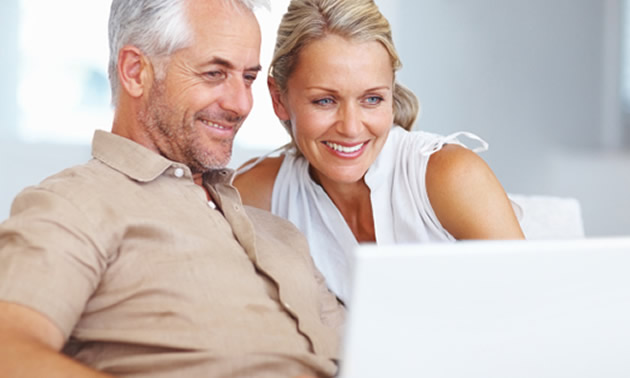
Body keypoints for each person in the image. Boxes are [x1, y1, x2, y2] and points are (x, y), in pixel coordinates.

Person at [0, 0, 345, 377]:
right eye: (214, 73)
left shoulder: (280, 233)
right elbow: (10, 351)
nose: (241, 103)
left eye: (247, 77)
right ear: (136, 72)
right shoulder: (74, 205)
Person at [233, 0, 525, 303]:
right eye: (325, 101)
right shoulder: (257, 195)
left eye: (371, 99)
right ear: (279, 98)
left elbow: (535, 303)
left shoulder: (451, 176)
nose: (351, 128)